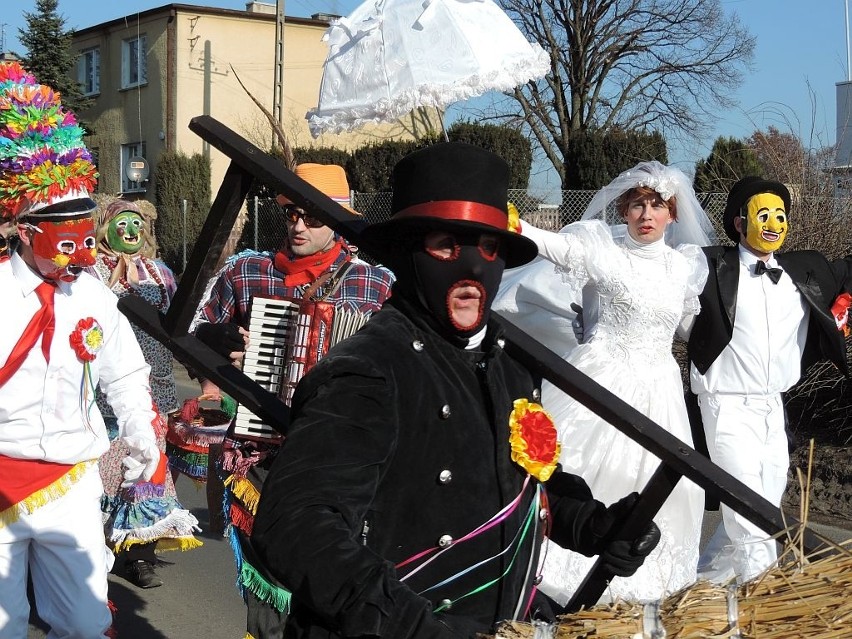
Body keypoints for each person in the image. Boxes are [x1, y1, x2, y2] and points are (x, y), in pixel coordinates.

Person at [250, 142, 661, 638]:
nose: (470, 268)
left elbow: (523, 486)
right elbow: (296, 525)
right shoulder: (369, 370)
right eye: (447, 244)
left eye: (488, 249)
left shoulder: (507, 367)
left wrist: (595, 526)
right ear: (408, 253)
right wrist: (411, 626)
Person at [494, 161, 714, 605]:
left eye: (656, 205)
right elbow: (558, 248)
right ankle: (557, 581)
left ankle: (636, 593)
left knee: (666, 485)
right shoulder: (605, 252)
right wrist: (513, 223)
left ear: (672, 214)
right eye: (637, 204)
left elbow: (695, 330)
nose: (646, 214)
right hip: (600, 380)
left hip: (660, 391)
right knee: (575, 467)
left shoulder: (684, 269)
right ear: (624, 211)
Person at [192, 162, 395, 633]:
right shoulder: (248, 271)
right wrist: (223, 345)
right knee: (269, 585)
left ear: (341, 217)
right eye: (291, 215)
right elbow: (193, 328)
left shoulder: (377, 283)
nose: (299, 225)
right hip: (264, 450)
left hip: (343, 455)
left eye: (313, 216)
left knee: (332, 581)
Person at [0, 61, 160, 637]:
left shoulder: (94, 294)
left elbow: (125, 372)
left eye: (83, 222)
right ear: (24, 228)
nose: (81, 239)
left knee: (86, 622)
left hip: (69, 480)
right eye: (64, 225)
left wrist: (141, 431)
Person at [686, 176, 852, 584]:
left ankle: (706, 587)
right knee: (748, 506)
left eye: (781, 215)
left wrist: (845, 305)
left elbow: (848, 270)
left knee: (766, 498)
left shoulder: (802, 270)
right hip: (724, 402)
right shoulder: (707, 265)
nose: (774, 223)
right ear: (740, 222)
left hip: (773, 403)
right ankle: (766, 595)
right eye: (764, 214)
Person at [88, 198, 201, 590]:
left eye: (137, 223)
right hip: (104, 395)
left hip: (156, 388)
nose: (132, 231)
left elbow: (181, 325)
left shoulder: (162, 274)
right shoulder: (90, 271)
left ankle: (138, 556)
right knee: (105, 475)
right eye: (123, 223)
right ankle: (97, 544)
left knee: (148, 470)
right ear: (106, 229)